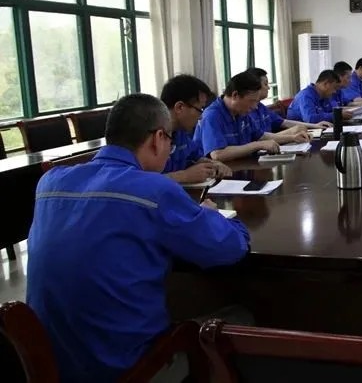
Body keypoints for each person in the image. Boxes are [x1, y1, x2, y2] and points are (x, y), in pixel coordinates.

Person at [26, 94, 250, 382]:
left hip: (54, 364)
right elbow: (230, 248)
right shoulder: (152, 190)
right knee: (242, 317)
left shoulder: (49, 182)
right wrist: (215, 216)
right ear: (158, 138)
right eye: (170, 141)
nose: (170, 150)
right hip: (129, 369)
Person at [194, 72, 307, 162]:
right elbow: (218, 154)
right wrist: (257, 145)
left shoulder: (241, 112)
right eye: (252, 101)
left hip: (241, 166)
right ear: (235, 95)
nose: (255, 107)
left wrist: (293, 138)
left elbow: (261, 136)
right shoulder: (212, 115)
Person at [160, 74, 232, 183]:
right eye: (200, 109)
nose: (201, 117)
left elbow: (196, 157)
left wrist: (214, 164)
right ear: (180, 107)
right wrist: (184, 176)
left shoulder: (181, 133)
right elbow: (140, 181)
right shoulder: (148, 137)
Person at [246, 67, 331, 133]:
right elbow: (262, 138)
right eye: (265, 84)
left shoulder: (261, 107)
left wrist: (315, 126)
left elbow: (284, 122)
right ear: (255, 86)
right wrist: (291, 133)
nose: (268, 87)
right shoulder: (246, 111)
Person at [287, 70, 355, 124]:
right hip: (299, 132)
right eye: (334, 88)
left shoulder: (325, 96)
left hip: (317, 129)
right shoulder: (306, 95)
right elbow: (310, 119)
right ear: (325, 84)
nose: (335, 92)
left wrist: (341, 114)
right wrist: (337, 115)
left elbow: (331, 111)